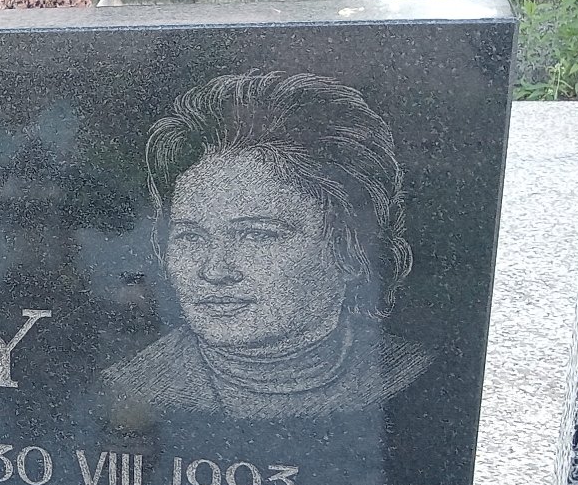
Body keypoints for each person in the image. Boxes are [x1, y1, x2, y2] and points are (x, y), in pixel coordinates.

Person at [100, 71, 432, 420]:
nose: (215, 270)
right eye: (191, 237)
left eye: (257, 235)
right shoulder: (133, 390)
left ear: (350, 248)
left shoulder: (415, 377)